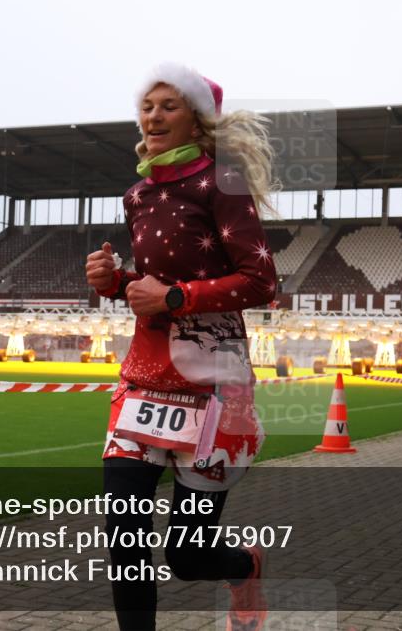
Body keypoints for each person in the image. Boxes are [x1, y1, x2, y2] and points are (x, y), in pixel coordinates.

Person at [85, 63, 278, 631]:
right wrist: (114, 282)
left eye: (168, 105)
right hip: (142, 384)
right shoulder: (137, 193)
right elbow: (152, 287)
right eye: (147, 106)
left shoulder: (222, 183)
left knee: (188, 557)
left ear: (196, 120)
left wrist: (175, 297)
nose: (154, 116)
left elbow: (262, 282)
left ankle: (244, 566)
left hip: (213, 389)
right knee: (124, 540)